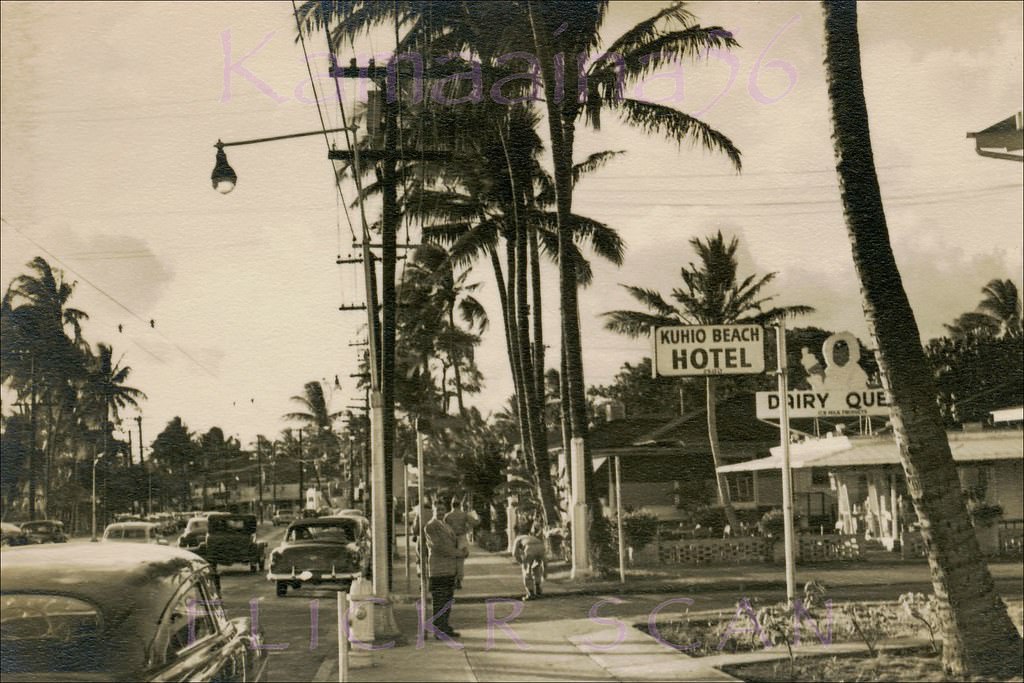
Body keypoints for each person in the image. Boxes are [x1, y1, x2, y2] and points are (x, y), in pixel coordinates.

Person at [424, 499, 467, 639]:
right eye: (438, 510)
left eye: (443, 509)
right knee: (440, 600)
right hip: (438, 569)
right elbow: (439, 547)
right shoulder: (431, 526)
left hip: (449, 568)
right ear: (433, 510)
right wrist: (459, 553)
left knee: (448, 599)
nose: (441, 512)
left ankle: (445, 627)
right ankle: (439, 629)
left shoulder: (446, 525)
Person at [444, 498, 472, 589]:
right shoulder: (464, 515)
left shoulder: (447, 516)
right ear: (459, 505)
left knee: (451, 561)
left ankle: (452, 580)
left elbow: (443, 527)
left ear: (451, 505)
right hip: (461, 537)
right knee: (460, 560)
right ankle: (459, 580)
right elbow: (475, 522)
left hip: (450, 539)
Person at [512, 528, 546, 600]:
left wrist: (521, 562)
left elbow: (514, 553)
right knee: (536, 568)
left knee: (527, 570)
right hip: (541, 546)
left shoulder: (518, 539)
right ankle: (538, 589)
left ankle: (530, 593)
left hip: (530, 548)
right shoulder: (530, 537)